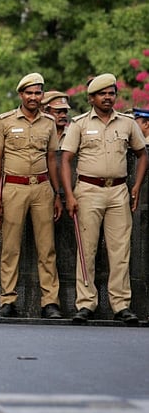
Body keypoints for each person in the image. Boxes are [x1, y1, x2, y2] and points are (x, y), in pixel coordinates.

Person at [60, 73, 147, 325]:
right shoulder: (79, 124)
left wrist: (137, 186)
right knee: (86, 249)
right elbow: (65, 159)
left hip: (118, 191)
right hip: (87, 190)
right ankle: (86, 304)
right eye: (102, 94)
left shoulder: (127, 123)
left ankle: (121, 305)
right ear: (91, 98)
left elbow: (143, 155)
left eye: (111, 93)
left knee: (120, 250)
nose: (108, 98)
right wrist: (68, 194)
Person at [0, 73, 63, 319]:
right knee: (10, 247)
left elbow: (52, 160)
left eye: (37, 93)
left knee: (47, 248)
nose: (33, 97)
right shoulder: (4, 121)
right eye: (29, 93)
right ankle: (8, 300)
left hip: (42, 187)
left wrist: (57, 193)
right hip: (13, 188)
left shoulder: (49, 123)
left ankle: (50, 302)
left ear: (42, 95)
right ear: (21, 95)